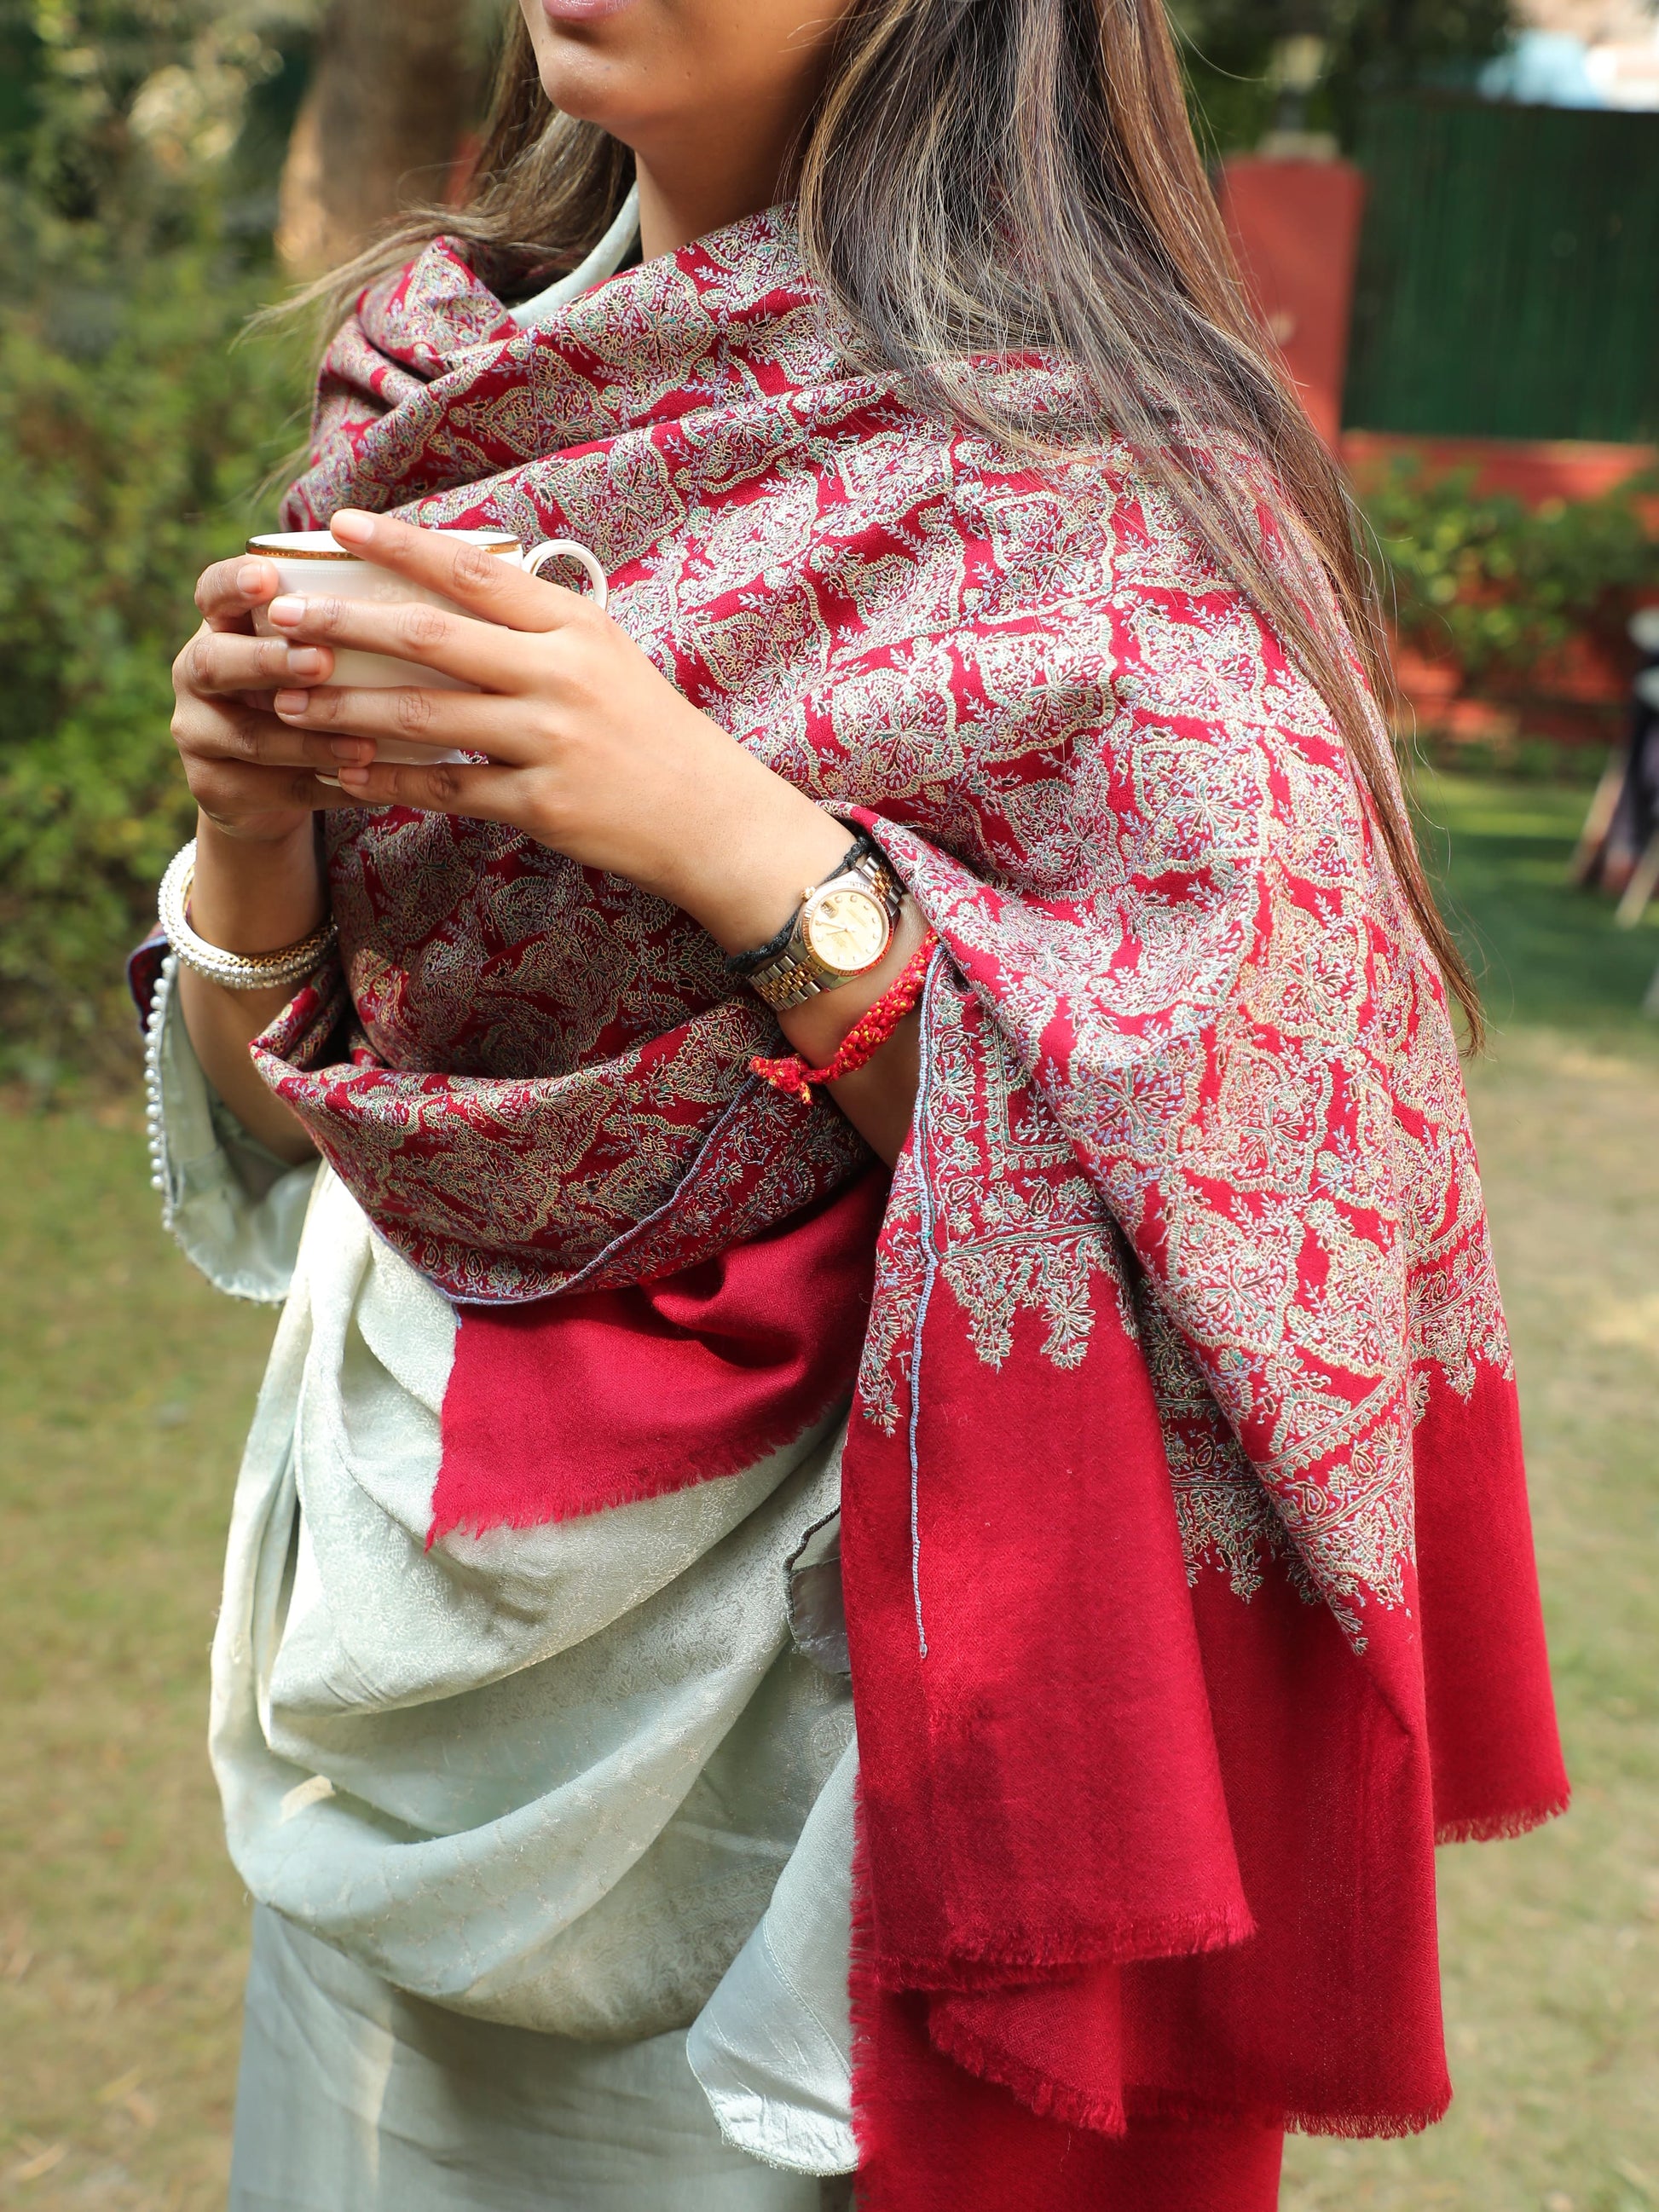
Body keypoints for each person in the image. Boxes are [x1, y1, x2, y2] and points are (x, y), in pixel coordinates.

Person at [142, 2, 1568, 2207]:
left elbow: (1267, 1143)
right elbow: (324, 1118)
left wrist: (726, 833)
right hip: (381, 1596)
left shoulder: (1097, 475)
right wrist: (250, 837)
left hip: (788, 1742)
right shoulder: (437, 375)